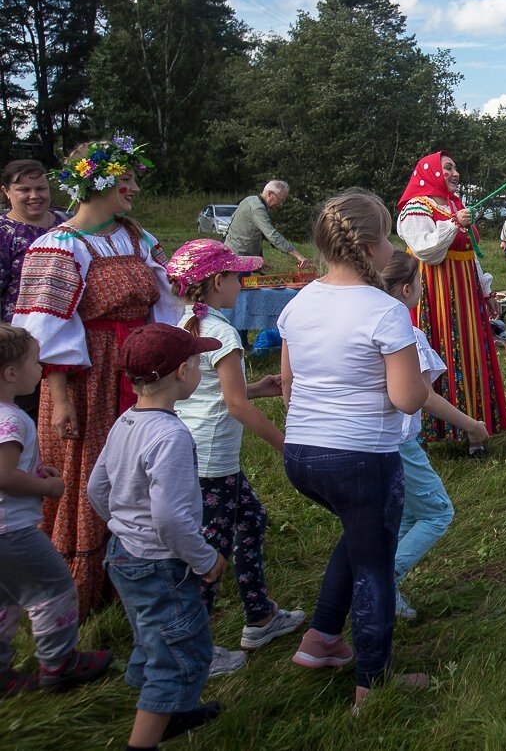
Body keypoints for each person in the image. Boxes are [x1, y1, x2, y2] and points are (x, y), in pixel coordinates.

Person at [13, 136, 180, 619]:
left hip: (138, 368)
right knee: (92, 471)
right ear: (96, 181)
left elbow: (167, 297)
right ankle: (79, 596)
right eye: (124, 178)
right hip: (89, 377)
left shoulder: (136, 237)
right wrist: (61, 396)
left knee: (141, 468)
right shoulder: (59, 246)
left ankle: (140, 574)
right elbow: (46, 329)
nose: (133, 187)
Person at [278, 190, 428, 712]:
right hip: (362, 457)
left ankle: (321, 640)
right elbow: (407, 398)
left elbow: (287, 383)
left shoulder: (297, 304)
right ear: (368, 246)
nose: (393, 246)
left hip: (302, 454)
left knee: (357, 535)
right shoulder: (386, 311)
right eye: (388, 237)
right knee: (375, 565)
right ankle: (374, 680)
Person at [166, 240, 305, 676]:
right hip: (213, 457)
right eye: (237, 277)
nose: (242, 284)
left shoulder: (186, 321)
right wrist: (287, 445)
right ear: (216, 282)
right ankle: (196, 651)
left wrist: (258, 388)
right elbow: (234, 406)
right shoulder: (222, 333)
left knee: (250, 520)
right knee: (211, 550)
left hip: (196, 449)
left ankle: (260, 616)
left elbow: (216, 390)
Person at [88, 323, 227, 750]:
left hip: (124, 554)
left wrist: (123, 526)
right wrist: (205, 560)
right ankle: (147, 735)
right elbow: (170, 519)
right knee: (180, 654)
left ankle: (173, 710)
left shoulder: (126, 422)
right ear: (183, 372)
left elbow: (98, 488)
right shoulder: (171, 435)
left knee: (153, 637)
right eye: (198, 363)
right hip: (161, 564)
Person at [0, 326, 112, 698]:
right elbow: (3, 475)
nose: (43, 368)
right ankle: (59, 663)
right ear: (11, 373)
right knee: (54, 588)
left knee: (5, 598)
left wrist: (29, 473)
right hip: (12, 531)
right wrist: (47, 487)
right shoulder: (12, 420)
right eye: (36, 362)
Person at [382, 253, 488, 621]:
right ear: (407, 289)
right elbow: (424, 397)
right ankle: (382, 581)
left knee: (411, 515)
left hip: (369, 442)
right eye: (421, 282)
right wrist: (472, 426)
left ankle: (384, 585)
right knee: (438, 513)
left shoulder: (359, 325)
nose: (425, 288)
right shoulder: (408, 335)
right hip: (398, 443)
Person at [397, 152, 506, 441]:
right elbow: (426, 251)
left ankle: (475, 427)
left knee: (471, 353)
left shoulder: (456, 205)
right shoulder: (417, 207)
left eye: (455, 168)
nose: (455, 173)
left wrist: (486, 293)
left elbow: (470, 255)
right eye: (448, 168)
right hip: (434, 297)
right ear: (430, 172)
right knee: (436, 354)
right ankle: (431, 431)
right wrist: (452, 225)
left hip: (466, 296)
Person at [1, 160, 67, 420]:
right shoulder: (4, 233)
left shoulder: (66, 223)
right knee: (24, 416)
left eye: (40, 188)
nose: (34, 196)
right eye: (24, 190)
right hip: (19, 346)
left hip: (65, 341)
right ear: (6, 192)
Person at [223, 181, 309, 270]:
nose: (280, 204)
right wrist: (298, 255)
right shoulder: (258, 208)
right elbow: (272, 235)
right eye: (280, 200)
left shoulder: (249, 199)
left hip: (234, 253)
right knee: (238, 283)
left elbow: (233, 218)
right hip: (239, 259)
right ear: (269, 194)